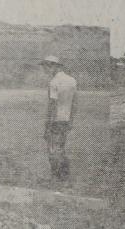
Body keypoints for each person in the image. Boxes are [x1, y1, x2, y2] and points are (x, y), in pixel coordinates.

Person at [40, 55, 78, 184]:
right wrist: (71, 121)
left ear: (53, 66)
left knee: (52, 150)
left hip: (55, 121)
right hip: (66, 120)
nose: (44, 70)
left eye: (45, 66)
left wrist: (48, 125)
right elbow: (74, 103)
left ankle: (55, 177)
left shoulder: (54, 82)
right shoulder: (72, 80)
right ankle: (65, 177)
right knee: (61, 148)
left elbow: (53, 105)